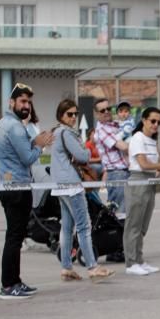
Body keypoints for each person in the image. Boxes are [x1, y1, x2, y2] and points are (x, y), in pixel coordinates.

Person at [0, 82, 54, 299]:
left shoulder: (5, 124)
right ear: (12, 103)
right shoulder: (15, 126)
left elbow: (17, 150)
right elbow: (27, 157)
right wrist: (39, 145)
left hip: (10, 185)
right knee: (14, 237)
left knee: (15, 236)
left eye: (29, 101)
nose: (26, 105)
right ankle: (9, 285)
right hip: (17, 187)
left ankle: (14, 281)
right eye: (22, 101)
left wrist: (33, 141)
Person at [50, 98, 115, 282]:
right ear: (61, 116)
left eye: (75, 114)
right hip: (70, 184)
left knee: (68, 226)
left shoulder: (56, 132)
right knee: (84, 226)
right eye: (69, 114)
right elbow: (82, 155)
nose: (73, 117)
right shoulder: (67, 133)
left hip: (59, 184)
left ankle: (66, 267)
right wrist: (86, 151)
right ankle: (92, 266)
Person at [125, 106, 160, 276]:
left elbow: (154, 164)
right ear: (144, 120)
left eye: (159, 122)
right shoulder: (137, 138)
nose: (156, 124)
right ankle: (131, 262)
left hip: (150, 183)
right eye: (153, 121)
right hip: (138, 181)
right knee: (133, 224)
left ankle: (139, 259)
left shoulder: (152, 140)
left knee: (143, 225)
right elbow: (143, 164)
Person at [93, 98, 131, 215]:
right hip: (117, 174)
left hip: (123, 172)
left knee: (125, 211)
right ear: (96, 114)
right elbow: (123, 146)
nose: (106, 112)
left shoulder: (113, 124)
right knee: (121, 213)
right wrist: (140, 145)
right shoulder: (102, 130)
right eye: (102, 110)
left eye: (108, 109)